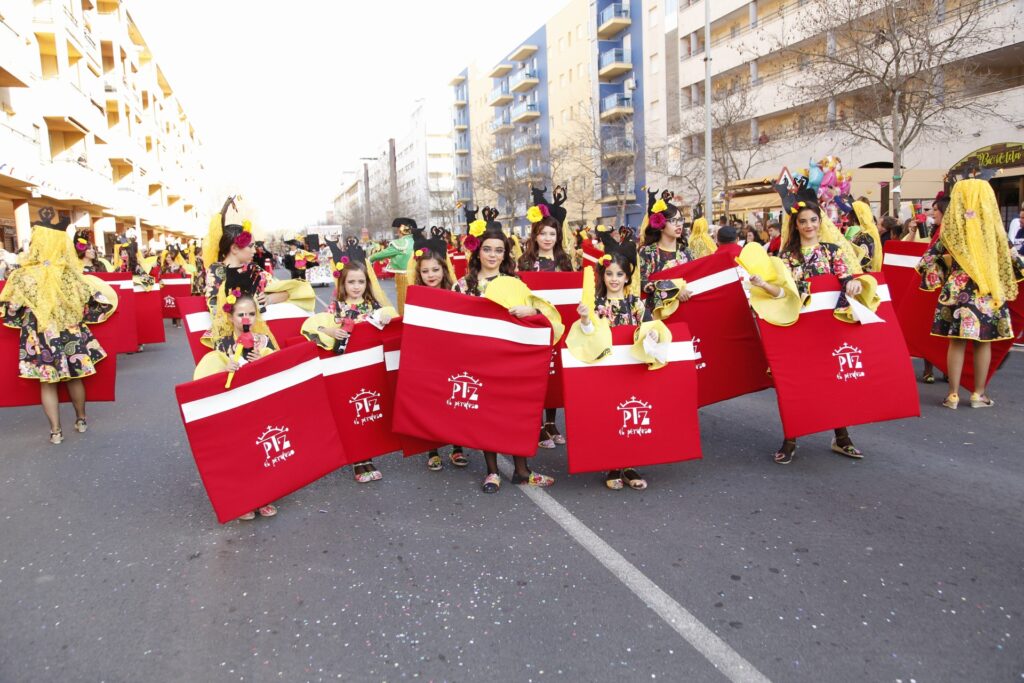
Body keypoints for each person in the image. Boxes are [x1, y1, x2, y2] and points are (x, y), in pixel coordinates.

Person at [749, 191, 866, 465]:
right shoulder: (787, 257)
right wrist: (763, 285)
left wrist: (854, 283)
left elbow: (847, 279)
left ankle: (842, 437)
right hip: (796, 327)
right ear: (796, 225)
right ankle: (790, 439)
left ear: (820, 221)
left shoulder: (833, 251)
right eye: (803, 221)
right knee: (795, 385)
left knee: (833, 381)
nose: (809, 225)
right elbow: (784, 293)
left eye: (813, 220)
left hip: (828, 328)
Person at [0, 207, 117, 444]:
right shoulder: (70, 275)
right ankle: (81, 420)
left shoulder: (23, 276)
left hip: (39, 334)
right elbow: (94, 300)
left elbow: (10, 307)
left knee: (47, 382)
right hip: (69, 330)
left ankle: (56, 431)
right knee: (75, 377)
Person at [454, 227, 556, 493]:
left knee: (515, 414)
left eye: (499, 250)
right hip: (479, 358)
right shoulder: (463, 285)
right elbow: (453, 322)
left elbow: (543, 311)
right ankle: (492, 472)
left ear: (505, 255)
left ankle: (522, 471)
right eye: (487, 249)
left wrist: (530, 309)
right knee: (486, 415)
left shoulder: (515, 281)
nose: (492, 255)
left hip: (511, 359)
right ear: (478, 252)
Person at [916, 179, 1024, 409]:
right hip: (986, 290)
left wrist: (944, 271)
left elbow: (926, 260)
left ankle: (952, 395)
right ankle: (978, 394)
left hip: (956, 289)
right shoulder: (993, 230)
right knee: (983, 342)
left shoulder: (951, 231)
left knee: (956, 342)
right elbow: (1014, 260)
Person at [301, 257, 395, 482]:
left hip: (369, 365)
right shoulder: (336, 307)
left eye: (361, 281)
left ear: (367, 283)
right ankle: (358, 460)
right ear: (342, 284)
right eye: (351, 282)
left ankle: (369, 455)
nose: (356, 286)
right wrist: (330, 331)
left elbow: (388, 321)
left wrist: (386, 316)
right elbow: (315, 327)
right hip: (344, 367)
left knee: (370, 411)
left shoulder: (373, 305)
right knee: (352, 412)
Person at [574, 247, 655, 491]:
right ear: (602, 275)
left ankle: (629, 465)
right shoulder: (595, 303)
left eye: (619, 274)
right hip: (605, 365)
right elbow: (588, 334)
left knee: (630, 416)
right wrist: (585, 319)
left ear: (627, 277)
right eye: (609, 273)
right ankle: (612, 464)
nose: (614, 279)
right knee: (610, 413)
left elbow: (649, 327)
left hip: (631, 365)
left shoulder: (635, 302)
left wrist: (652, 333)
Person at [410, 244, 469, 471]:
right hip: (427, 359)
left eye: (435, 270)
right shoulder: (415, 295)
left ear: (444, 270)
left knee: (454, 403)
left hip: (452, 356)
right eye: (425, 271)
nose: (431, 275)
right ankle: (432, 450)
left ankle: (457, 447)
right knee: (430, 405)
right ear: (419, 273)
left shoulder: (455, 293)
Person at [519, 210, 574, 449]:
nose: (548, 238)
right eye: (543, 234)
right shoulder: (525, 262)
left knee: (556, 373)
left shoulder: (565, 261)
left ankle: (551, 422)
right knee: (538, 372)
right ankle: (538, 425)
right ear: (535, 236)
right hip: (535, 323)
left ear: (558, 236)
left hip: (559, 323)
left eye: (552, 233)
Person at [639, 191, 693, 296]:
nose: (679, 225)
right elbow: (641, 280)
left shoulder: (686, 252)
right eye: (673, 221)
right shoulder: (648, 252)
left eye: (680, 220)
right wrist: (673, 292)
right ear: (660, 224)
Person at [368, 218, 416, 314]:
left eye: (398, 229)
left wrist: (369, 259)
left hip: (404, 277)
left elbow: (382, 254)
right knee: (414, 303)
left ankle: (404, 320)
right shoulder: (417, 241)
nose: (397, 232)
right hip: (417, 275)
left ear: (401, 230)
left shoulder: (401, 243)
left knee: (404, 301)